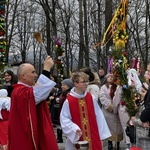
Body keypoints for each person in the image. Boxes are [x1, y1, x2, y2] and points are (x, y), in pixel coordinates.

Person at [8, 56, 59, 150]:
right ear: (23, 76)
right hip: (25, 137)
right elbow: (38, 93)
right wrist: (46, 69)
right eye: (33, 72)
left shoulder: (26, 90)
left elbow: (40, 92)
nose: (36, 75)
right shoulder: (20, 92)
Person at [60, 71, 111, 150]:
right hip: (77, 137)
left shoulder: (91, 97)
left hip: (93, 136)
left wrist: (101, 136)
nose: (86, 84)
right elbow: (64, 119)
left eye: (87, 81)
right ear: (75, 83)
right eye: (83, 82)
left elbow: (99, 116)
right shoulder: (69, 101)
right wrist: (74, 128)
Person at [99, 73, 123, 150]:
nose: (110, 78)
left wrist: (116, 105)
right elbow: (102, 97)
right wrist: (110, 106)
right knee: (108, 127)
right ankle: (110, 143)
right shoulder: (103, 87)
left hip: (117, 109)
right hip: (108, 111)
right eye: (109, 77)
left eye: (112, 76)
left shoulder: (117, 86)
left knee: (118, 127)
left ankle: (117, 143)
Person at [56, 78, 74, 143]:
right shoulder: (62, 93)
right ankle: (59, 137)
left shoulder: (69, 93)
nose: (62, 86)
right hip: (60, 111)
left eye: (64, 85)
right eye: (62, 85)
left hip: (67, 113)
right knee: (59, 125)